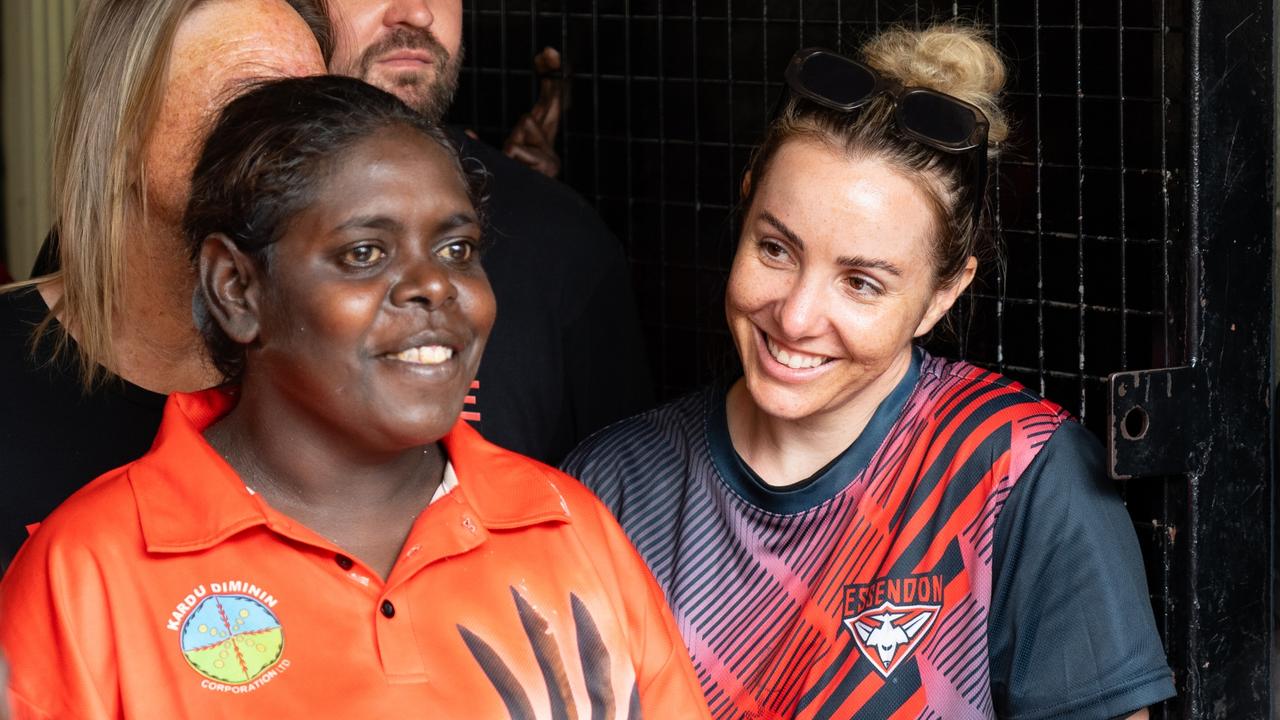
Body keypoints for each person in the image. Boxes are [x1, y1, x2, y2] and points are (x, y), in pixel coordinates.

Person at [0, 75, 711, 719]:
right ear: (236, 289)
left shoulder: (569, 532)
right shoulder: (87, 570)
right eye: (364, 253)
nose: (434, 285)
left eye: (458, 249)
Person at [563, 25, 1177, 719]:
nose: (796, 317)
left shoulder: (1017, 470)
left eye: (861, 283)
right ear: (744, 210)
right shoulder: (608, 487)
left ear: (943, 293)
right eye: (775, 249)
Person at [0, 0, 329, 569]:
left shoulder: (341, 382)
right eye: (248, 101)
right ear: (122, 127)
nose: (303, 147)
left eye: (317, 111)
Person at [326, 0, 654, 463]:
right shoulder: (235, 228)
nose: (417, 13)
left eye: (459, 249)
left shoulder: (558, 238)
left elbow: (623, 492)